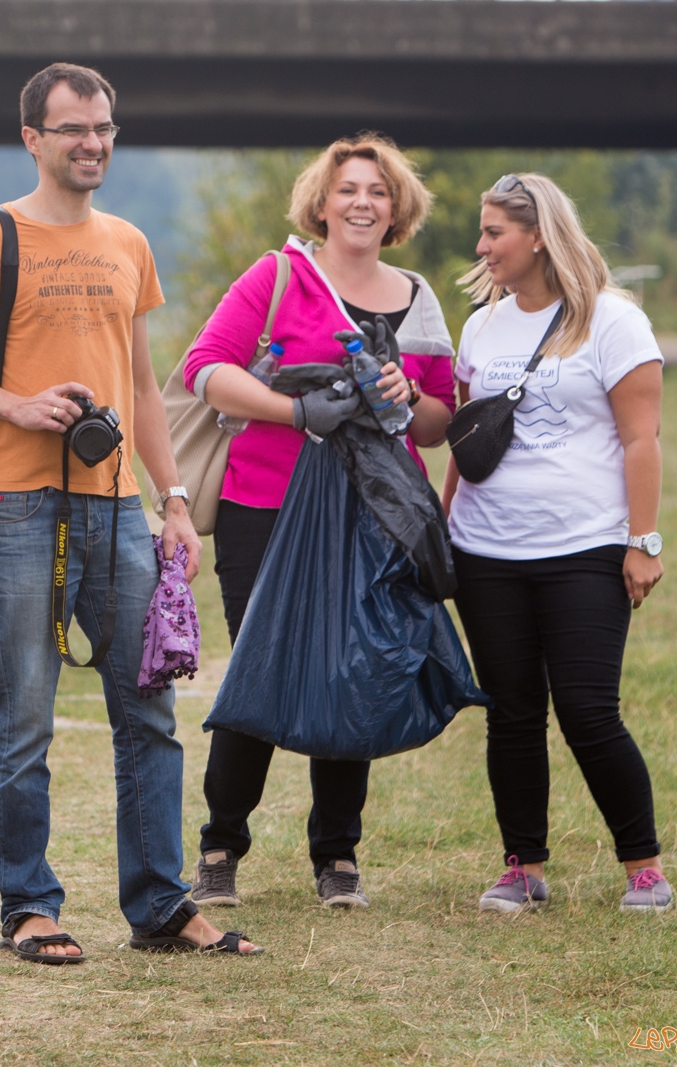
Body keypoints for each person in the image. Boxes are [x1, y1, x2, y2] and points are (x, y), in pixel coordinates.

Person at [0, 62, 258, 959]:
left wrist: (172, 499)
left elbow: (140, 383)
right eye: (72, 130)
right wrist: (12, 405)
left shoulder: (128, 241)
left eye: (103, 128)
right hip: (16, 505)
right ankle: (30, 906)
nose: (92, 143)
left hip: (117, 508)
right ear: (33, 139)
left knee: (149, 712)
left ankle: (162, 905)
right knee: (25, 714)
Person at [180, 134, 455, 910]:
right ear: (323, 203)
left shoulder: (417, 297)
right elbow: (207, 368)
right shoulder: (278, 277)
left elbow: (438, 422)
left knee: (353, 671)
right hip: (262, 509)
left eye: (378, 190)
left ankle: (337, 854)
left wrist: (407, 397)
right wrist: (296, 410)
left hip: (371, 517)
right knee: (261, 667)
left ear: (396, 207)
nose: (364, 202)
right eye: (349, 190)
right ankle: (220, 845)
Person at [442, 173, 672, 914]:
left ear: (537, 233)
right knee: (511, 711)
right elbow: (465, 441)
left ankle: (643, 867)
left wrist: (644, 541)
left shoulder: (613, 322)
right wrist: (443, 530)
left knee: (587, 709)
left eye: (494, 233)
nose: (482, 247)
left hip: (585, 549)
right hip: (487, 552)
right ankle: (523, 866)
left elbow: (643, 439)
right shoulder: (481, 326)